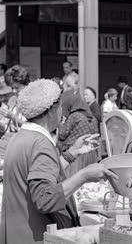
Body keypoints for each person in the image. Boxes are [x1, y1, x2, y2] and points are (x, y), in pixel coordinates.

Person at [0, 79, 118, 244]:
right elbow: (45, 199)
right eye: (60, 106)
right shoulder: (40, 143)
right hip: (35, 236)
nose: (62, 112)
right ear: (51, 110)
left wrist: (71, 154)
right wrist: (84, 175)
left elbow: (41, 174)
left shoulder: (20, 137)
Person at [58, 90, 100, 176]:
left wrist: (61, 123)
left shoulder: (74, 116)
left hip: (76, 154)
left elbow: (62, 134)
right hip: (90, 154)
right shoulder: (92, 117)